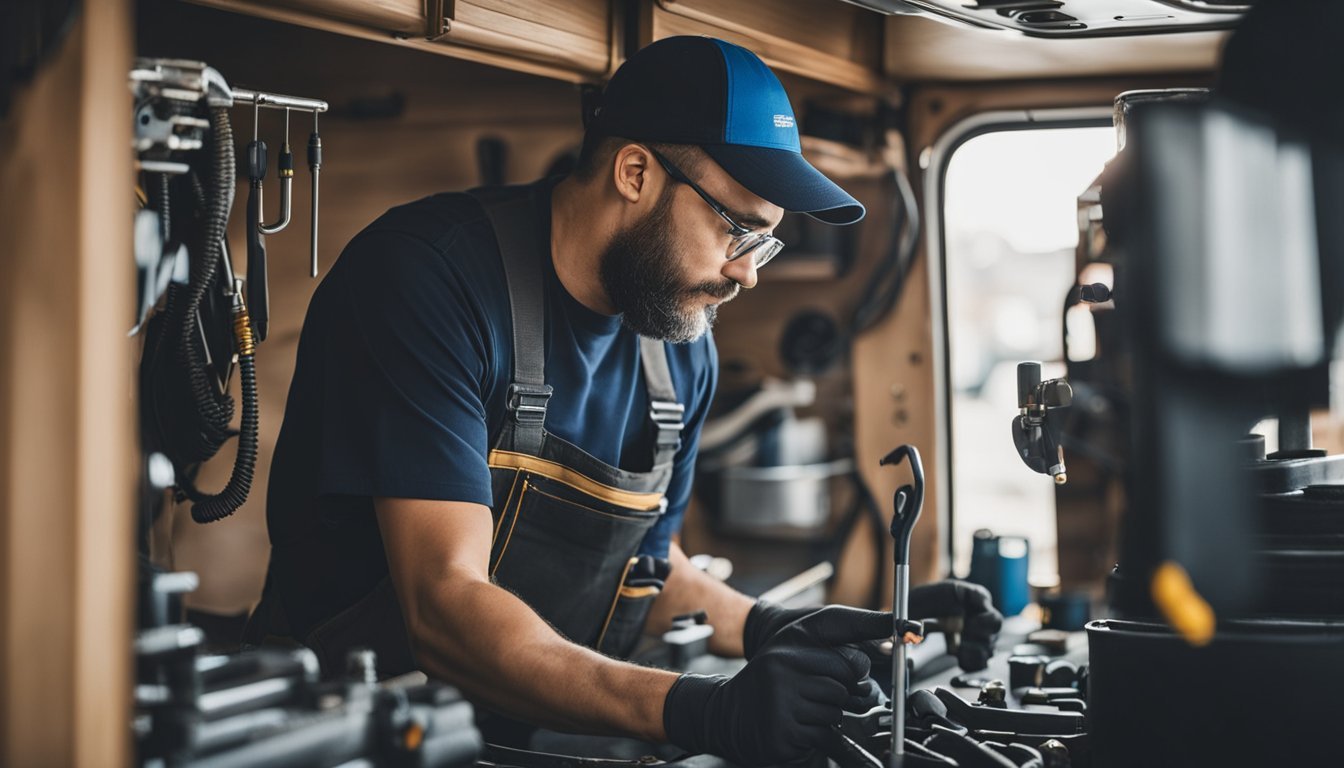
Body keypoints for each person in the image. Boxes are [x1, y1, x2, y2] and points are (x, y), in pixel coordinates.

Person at [247, 35, 1002, 766]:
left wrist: (785, 629)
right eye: (736, 229)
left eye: (764, 243)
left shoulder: (679, 346)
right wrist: (701, 709)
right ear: (635, 172)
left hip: (529, 729)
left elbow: (645, 568)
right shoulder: (427, 280)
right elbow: (445, 602)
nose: (749, 276)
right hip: (345, 736)